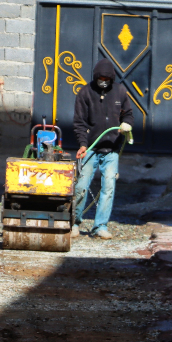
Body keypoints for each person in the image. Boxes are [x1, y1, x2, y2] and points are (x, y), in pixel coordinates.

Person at [72, 58, 133, 240]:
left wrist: (126, 124)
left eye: (107, 78)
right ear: (96, 77)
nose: (104, 81)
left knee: (108, 188)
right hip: (90, 148)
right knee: (81, 186)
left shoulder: (120, 92)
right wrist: (83, 144)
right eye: (101, 78)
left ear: (112, 78)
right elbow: (79, 123)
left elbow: (128, 114)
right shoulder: (85, 93)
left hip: (112, 150)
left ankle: (100, 226)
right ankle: (74, 222)